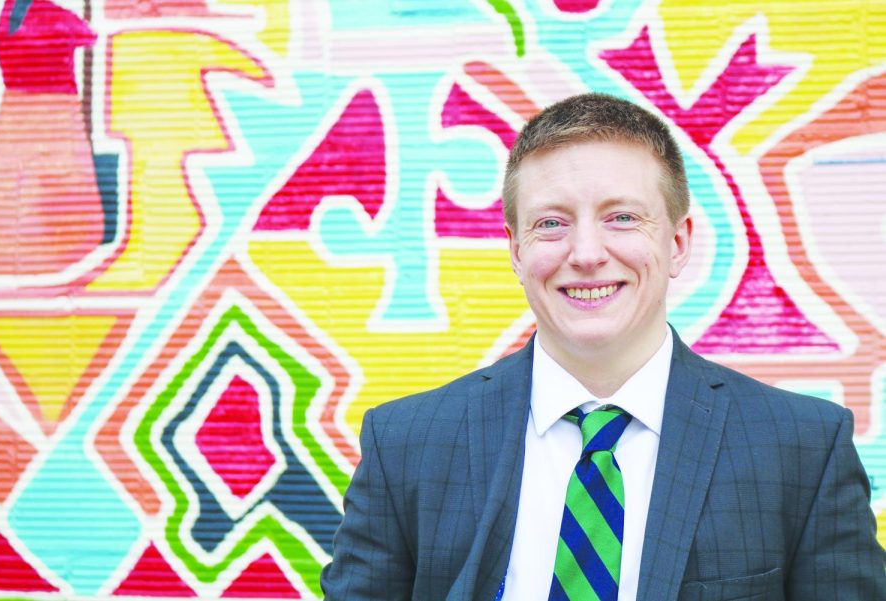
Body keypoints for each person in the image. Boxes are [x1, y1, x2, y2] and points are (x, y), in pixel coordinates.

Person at [319, 93, 886, 600]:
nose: (586, 252)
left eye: (621, 217)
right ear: (516, 251)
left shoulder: (804, 449)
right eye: (550, 224)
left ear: (678, 241)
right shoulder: (406, 445)